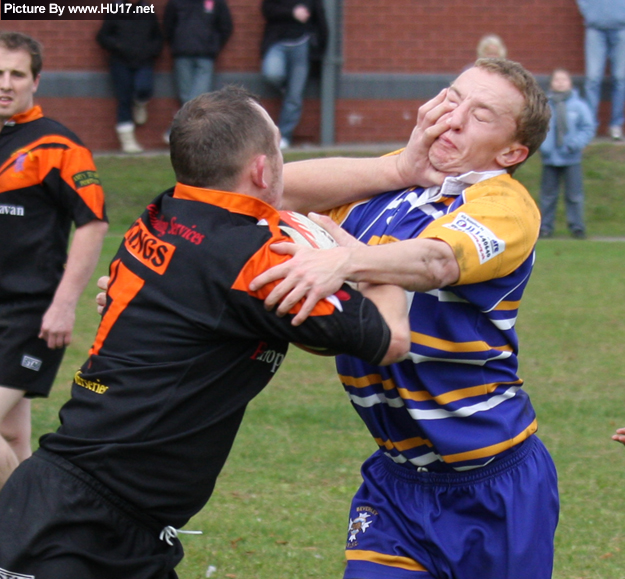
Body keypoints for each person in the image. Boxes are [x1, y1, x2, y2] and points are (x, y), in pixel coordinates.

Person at [0, 85, 410, 578]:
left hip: (101, 515)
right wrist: (361, 257)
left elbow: (270, 197)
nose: (285, 162)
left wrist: (401, 171)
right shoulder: (253, 263)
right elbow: (391, 336)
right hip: (76, 532)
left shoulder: (164, 212)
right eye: (278, 148)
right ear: (261, 169)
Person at [249, 58, 560, 579]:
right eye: (452, 97)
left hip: (494, 482)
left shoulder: (506, 205)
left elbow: (435, 260)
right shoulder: (395, 185)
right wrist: (395, 169)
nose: (453, 118)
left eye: (480, 115)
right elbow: (262, 190)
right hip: (397, 484)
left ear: (511, 152)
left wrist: (347, 258)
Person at [0, 32, 108, 491]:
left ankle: (13, 541)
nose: (5, 83)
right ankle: (36, 543)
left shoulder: (58, 146)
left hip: (29, 316)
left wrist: (64, 305)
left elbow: (94, 223)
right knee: (10, 434)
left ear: (35, 81)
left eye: (16, 74)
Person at [96, 1, 164, 154]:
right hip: (120, 62)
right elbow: (103, 36)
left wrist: (152, 50)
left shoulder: (147, 10)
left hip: (145, 61)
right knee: (124, 99)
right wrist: (118, 46)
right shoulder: (115, 10)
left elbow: (157, 36)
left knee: (144, 88)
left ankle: (139, 103)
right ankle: (127, 141)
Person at [260, 0, 328, 149]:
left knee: (294, 96)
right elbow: (267, 9)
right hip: (277, 42)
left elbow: (320, 19)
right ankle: (285, 86)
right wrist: (292, 13)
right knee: (272, 74)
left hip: (303, 46)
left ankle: (284, 136)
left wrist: (320, 51)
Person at [539, 68, 594, 239]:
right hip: (550, 159)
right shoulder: (545, 105)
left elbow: (588, 127)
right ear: (551, 83)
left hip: (571, 158)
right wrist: (543, 147)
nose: (560, 83)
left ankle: (577, 227)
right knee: (548, 196)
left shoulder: (579, 106)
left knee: (574, 195)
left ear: (570, 82)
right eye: (557, 80)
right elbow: (538, 128)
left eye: (564, 79)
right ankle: (545, 227)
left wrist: (575, 144)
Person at [163, 0, 233, 107]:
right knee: (187, 96)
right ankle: (190, 122)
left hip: (205, 55)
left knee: (199, 98)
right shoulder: (175, 2)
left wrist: (214, 45)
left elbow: (225, 26)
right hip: (182, 54)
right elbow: (168, 25)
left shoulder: (216, 2)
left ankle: (189, 122)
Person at [575, 0, 625, 139]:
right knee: (593, 79)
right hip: (595, 28)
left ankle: (615, 125)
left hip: (622, 27)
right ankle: (590, 127)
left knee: (620, 79)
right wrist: (589, 13)